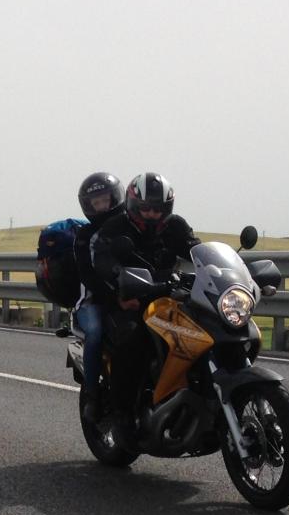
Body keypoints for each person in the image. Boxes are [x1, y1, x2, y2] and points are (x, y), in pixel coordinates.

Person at [90, 172, 201, 444]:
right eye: (146, 209)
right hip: (130, 300)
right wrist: (119, 282)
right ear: (133, 204)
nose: (152, 214)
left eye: (158, 209)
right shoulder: (116, 227)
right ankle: (123, 415)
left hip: (169, 298)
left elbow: (196, 250)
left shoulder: (175, 226)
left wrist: (219, 269)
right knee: (133, 339)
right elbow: (102, 260)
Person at [71, 172, 124, 422]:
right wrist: (112, 295)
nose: (102, 206)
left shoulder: (127, 226)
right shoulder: (85, 235)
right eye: (96, 202)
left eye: (105, 199)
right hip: (91, 300)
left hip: (125, 295)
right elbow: (87, 275)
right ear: (88, 205)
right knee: (95, 333)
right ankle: (92, 392)